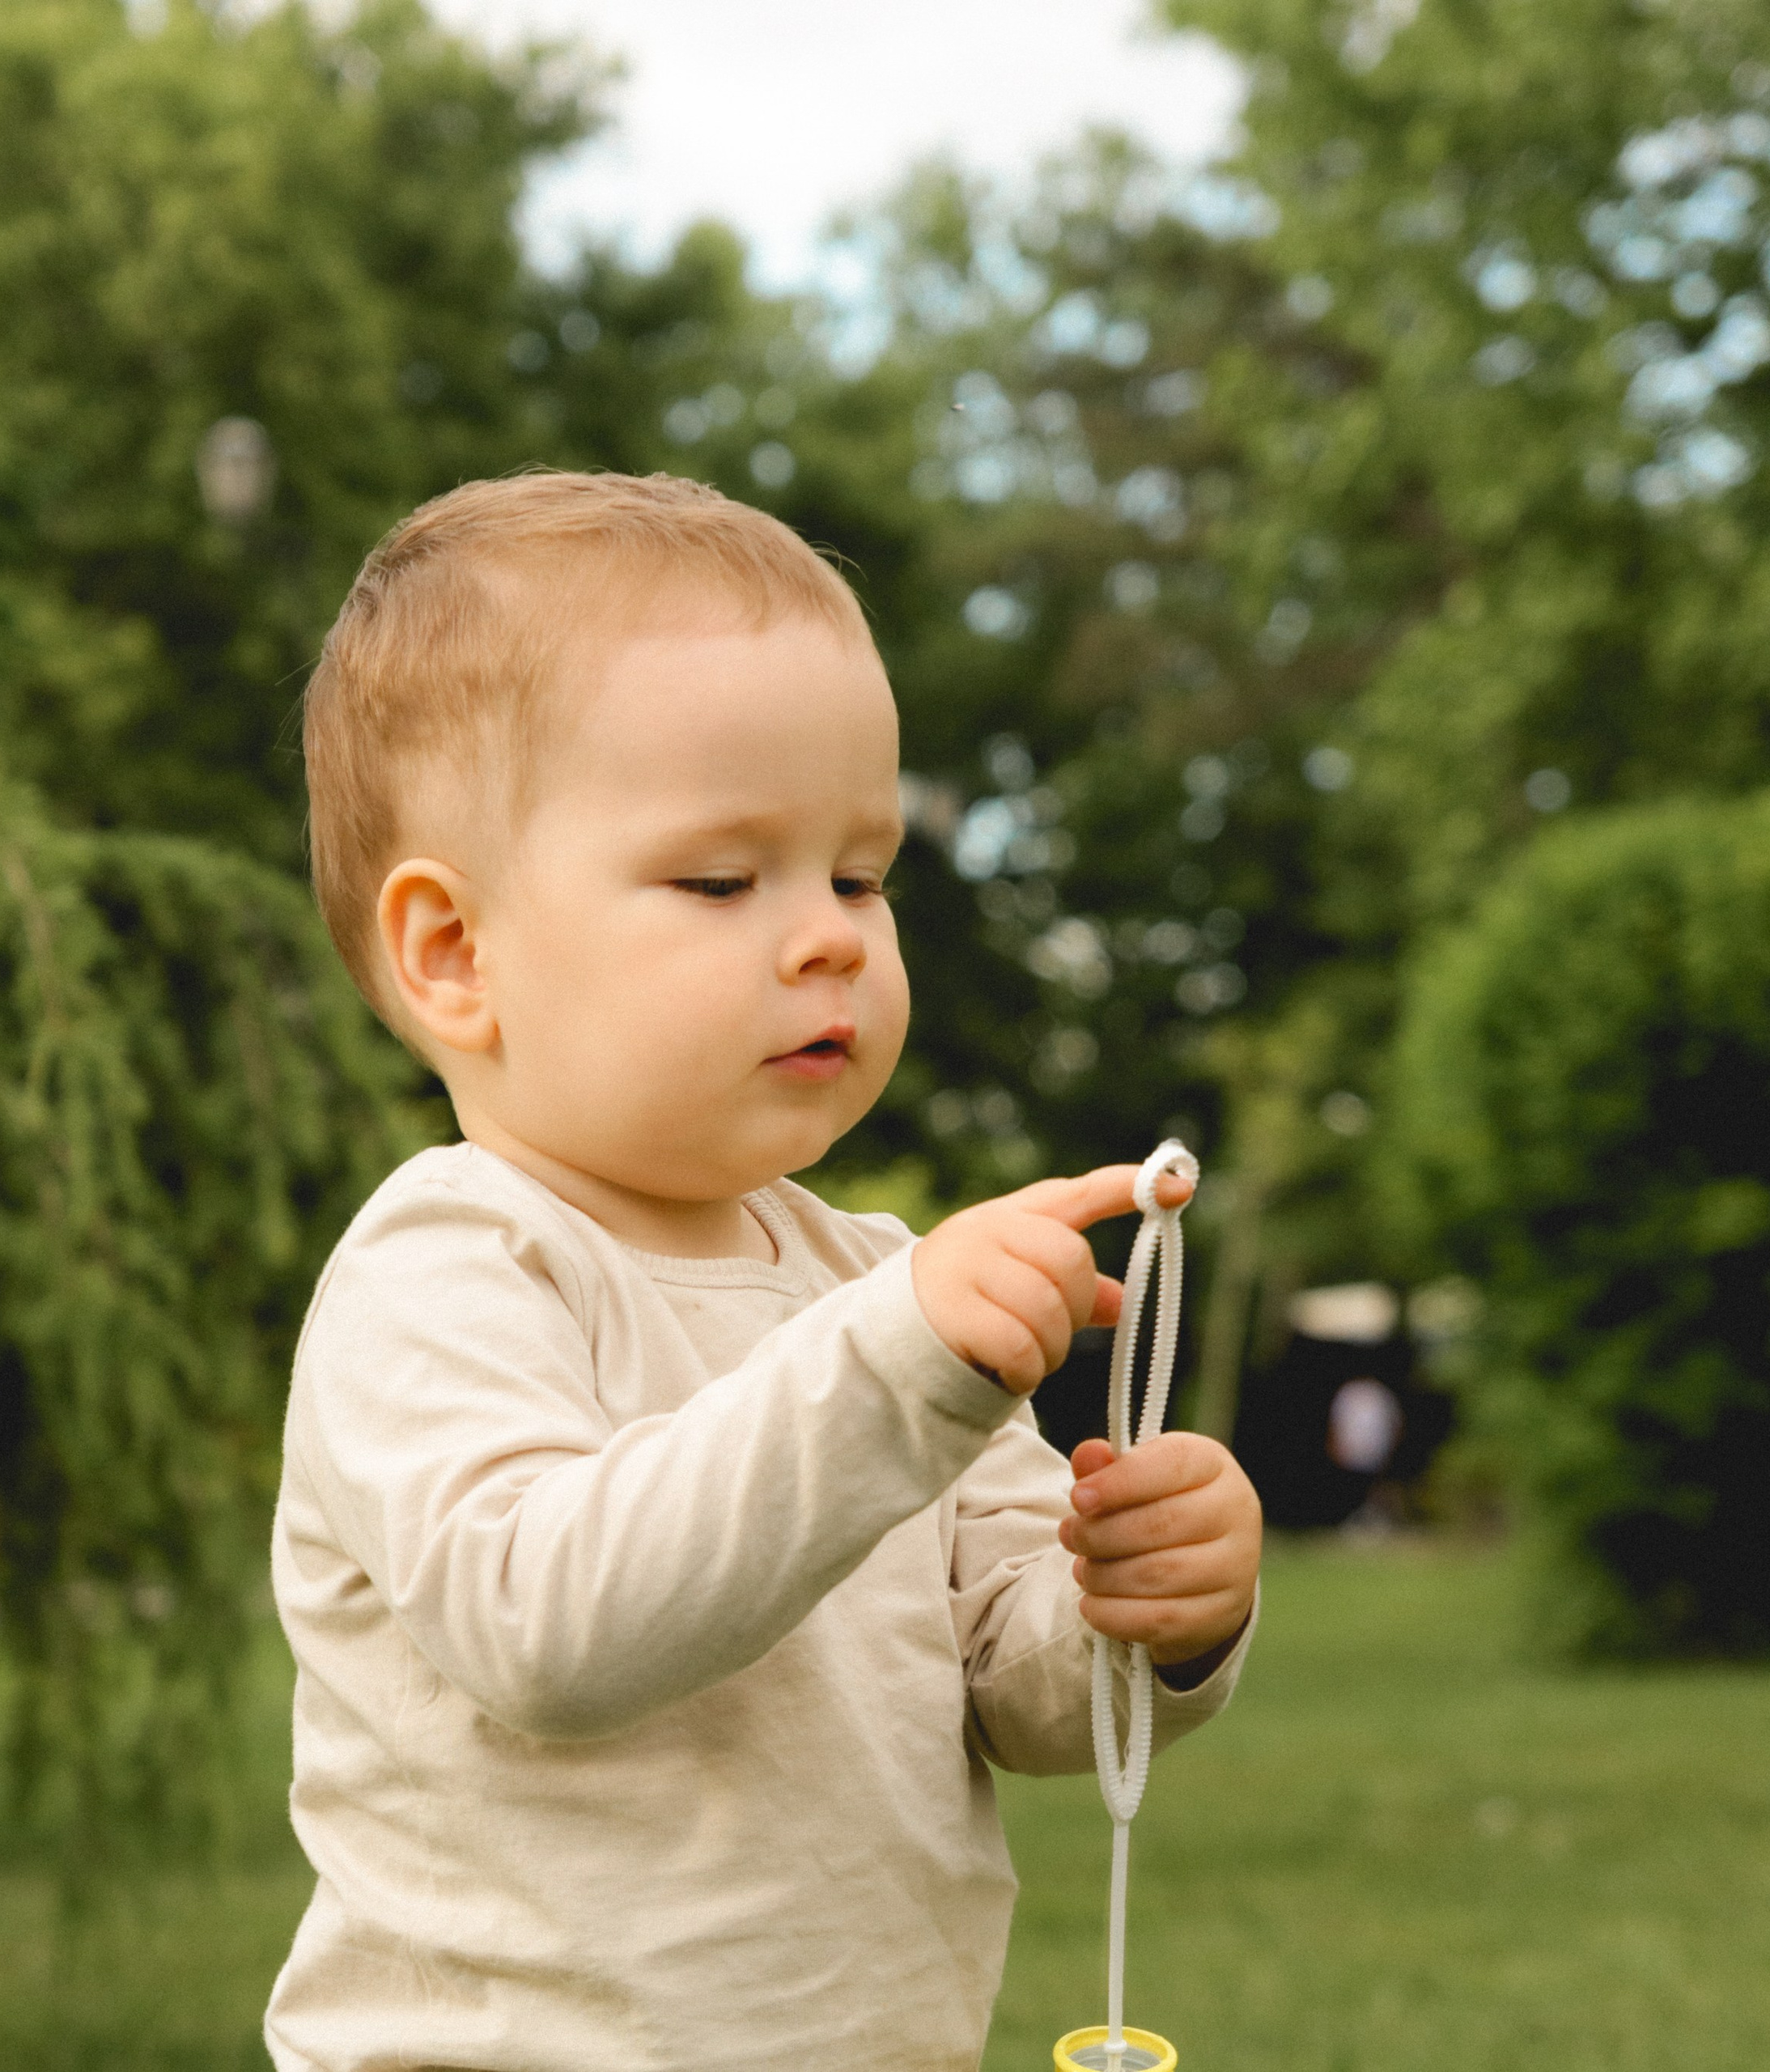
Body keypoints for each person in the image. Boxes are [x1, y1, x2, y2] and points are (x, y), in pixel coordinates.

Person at [265, 471, 1263, 2072]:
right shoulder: (447, 1265)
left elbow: (1016, 1686)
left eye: (859, 876)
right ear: (454, 953)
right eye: (723, 880)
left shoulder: (863, 1279)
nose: (829, 939)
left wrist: (1151, 1608)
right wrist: (892, 1361)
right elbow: (547, 1624)